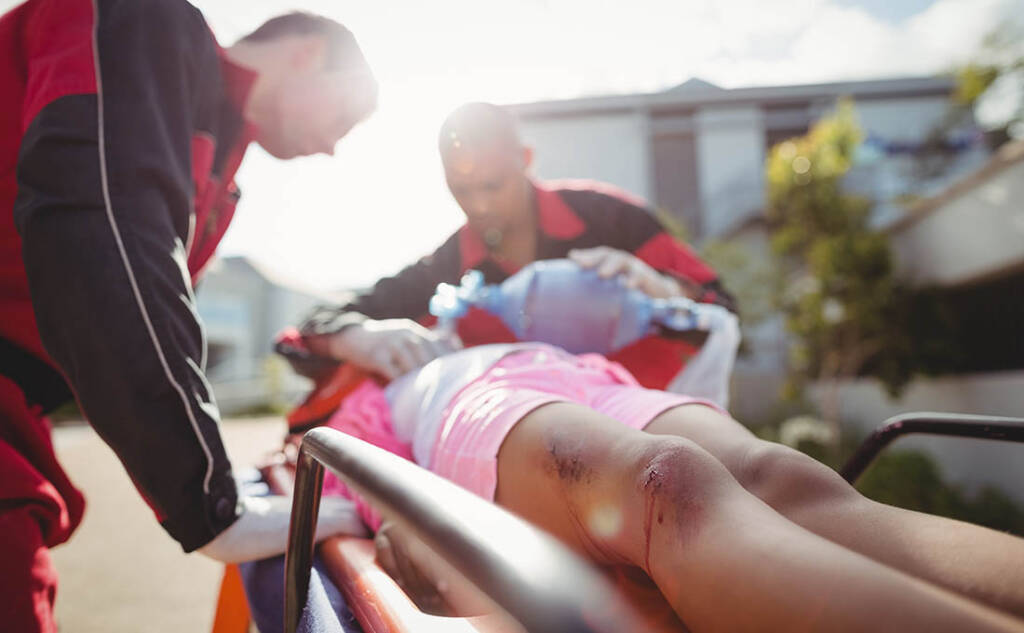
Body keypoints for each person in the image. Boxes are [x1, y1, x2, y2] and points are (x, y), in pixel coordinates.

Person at [0, 4, 376, 630]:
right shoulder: (145, 19)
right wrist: (210, 500)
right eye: (342, 116)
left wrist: (341, 337)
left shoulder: (218, 165)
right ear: (306, 52)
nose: (333, 148)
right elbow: (104, 231)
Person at [316, 340, 1024, 631]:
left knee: (780, 475)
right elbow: (363, 487)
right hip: (471, 404)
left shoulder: (513, 324)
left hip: (585, 376)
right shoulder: (373, 392)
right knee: (667, 490)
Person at [294, 101, 738, 410]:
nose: (480, 205)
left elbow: (723, 309)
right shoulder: (447, 270)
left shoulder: (613, 221)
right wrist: (353, 339)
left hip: (658, 430)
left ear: (525, 159)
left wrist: (657, 288)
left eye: (493, 185)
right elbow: (309, 330)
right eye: (462, 189)